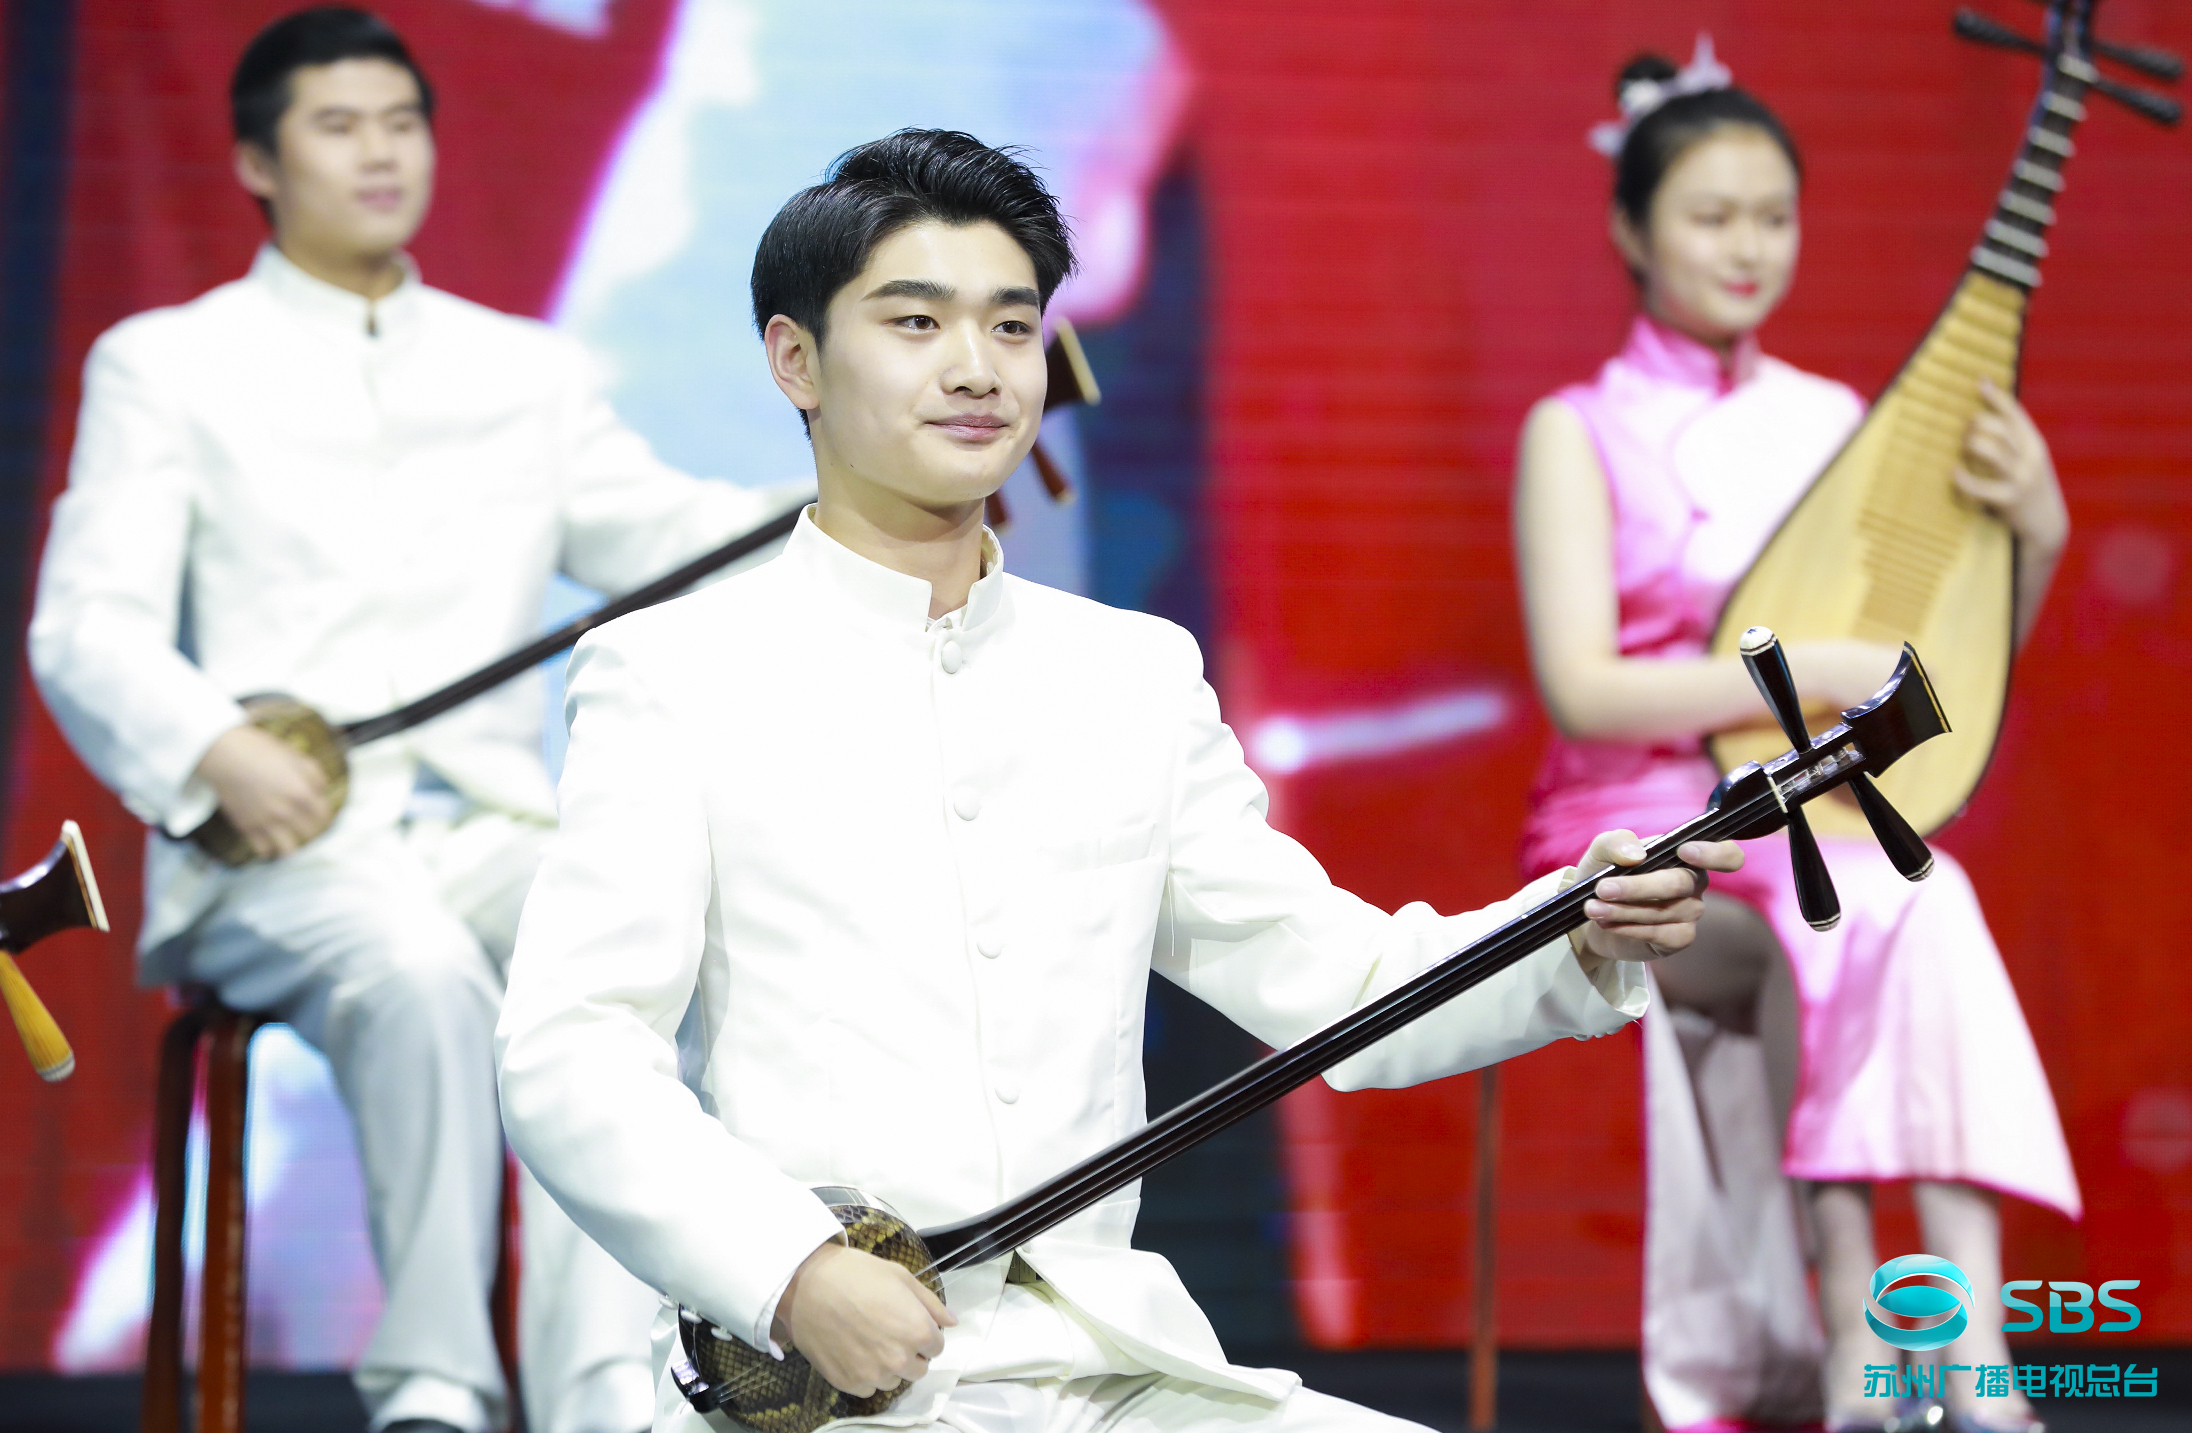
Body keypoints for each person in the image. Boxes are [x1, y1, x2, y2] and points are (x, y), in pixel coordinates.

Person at [494, 128, 1744, 1433]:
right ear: (794, 359)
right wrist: (788, 1268)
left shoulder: (1132, 674)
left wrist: (1572, 928)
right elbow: (572, 1050)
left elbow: (1343, 986)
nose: (976, 367)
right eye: (916, 322)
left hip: (1114, 1367)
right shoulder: (675, 670)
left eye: (1011, 325)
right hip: (837, 1383)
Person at [29, 9, 803, 1433]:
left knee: (608, 962)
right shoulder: (168, 363)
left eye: (402, 123)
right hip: (281, 850)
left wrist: (867, 504)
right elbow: (87, 623)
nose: (381, 154)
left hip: (487, 824)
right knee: (420, 972)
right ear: (257, 162)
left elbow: (668, 537)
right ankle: (434, 1388)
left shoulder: (525, 371)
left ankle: (605, 1396)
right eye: (338, 126)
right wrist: (214, 750)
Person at [1513, 41, 2080, 1433]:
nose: (1749, 246)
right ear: (1631, 229)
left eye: (1774, 215)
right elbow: (1584, 691)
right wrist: (1806, 670)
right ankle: (1867, 1344)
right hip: (1639, 831)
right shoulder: (1576, 431)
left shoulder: (1838, 423)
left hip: (1815, 818)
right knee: (1864, 906)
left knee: (1912, 894)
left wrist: (2042, 530)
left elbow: (1939, 677)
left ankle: (1961, 1353)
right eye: (1712, 216)